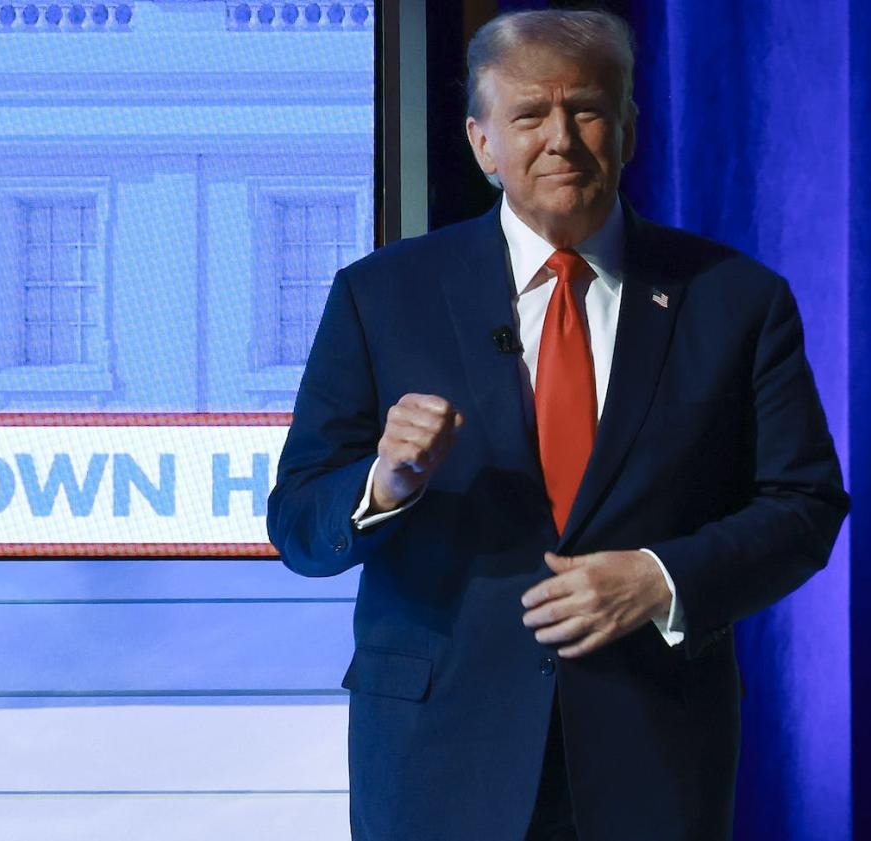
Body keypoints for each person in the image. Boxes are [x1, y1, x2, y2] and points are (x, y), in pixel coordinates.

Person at [265, 9, 849, 841]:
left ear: (629, 128)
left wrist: (660, 578)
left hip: (654, 750)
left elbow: (804, 505)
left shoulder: (736, 300)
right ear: (481, 142)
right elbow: (294, 523)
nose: (562, 139)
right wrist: (382, 487)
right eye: (530, 115)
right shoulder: (380, 296)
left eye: (587, 110)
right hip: (440, 755)